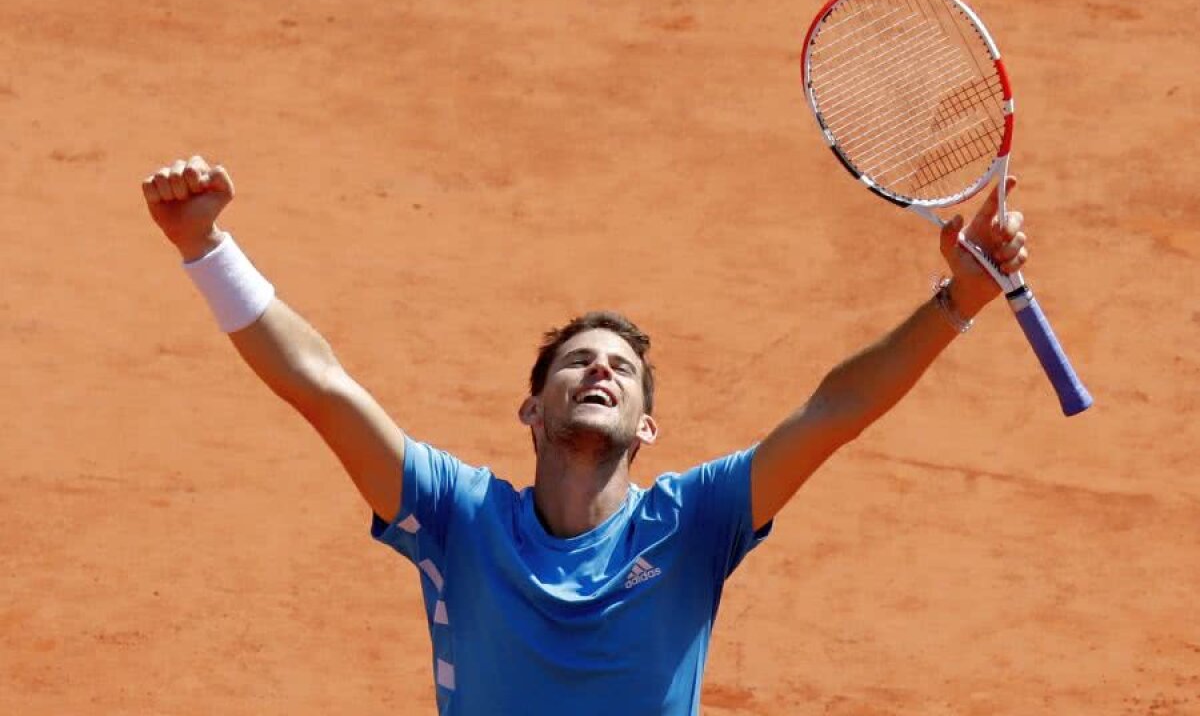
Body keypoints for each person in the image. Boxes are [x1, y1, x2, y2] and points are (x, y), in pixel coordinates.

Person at [142, 155, 1028, 715]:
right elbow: (323, 388)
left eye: (622, 369)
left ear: (647, 425)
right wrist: (206, 248)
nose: (598, 370)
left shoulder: (694, 523)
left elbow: (832, 412)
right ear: (531, 412)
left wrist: (959, 303)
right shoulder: (458, 517)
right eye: (575, 363)